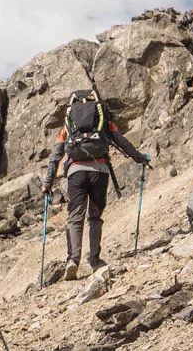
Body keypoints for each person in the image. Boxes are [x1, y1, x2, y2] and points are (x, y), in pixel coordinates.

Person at [42, 85, 149, 279]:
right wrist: (140, 158)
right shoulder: (102, 117)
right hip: (100, 171)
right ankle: (95, 260)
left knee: (75, 217)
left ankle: (72, 260)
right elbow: (121, 141)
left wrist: (47, 184)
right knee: (95, 216)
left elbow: (56, 155)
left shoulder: (68, 122)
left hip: (76, 172)